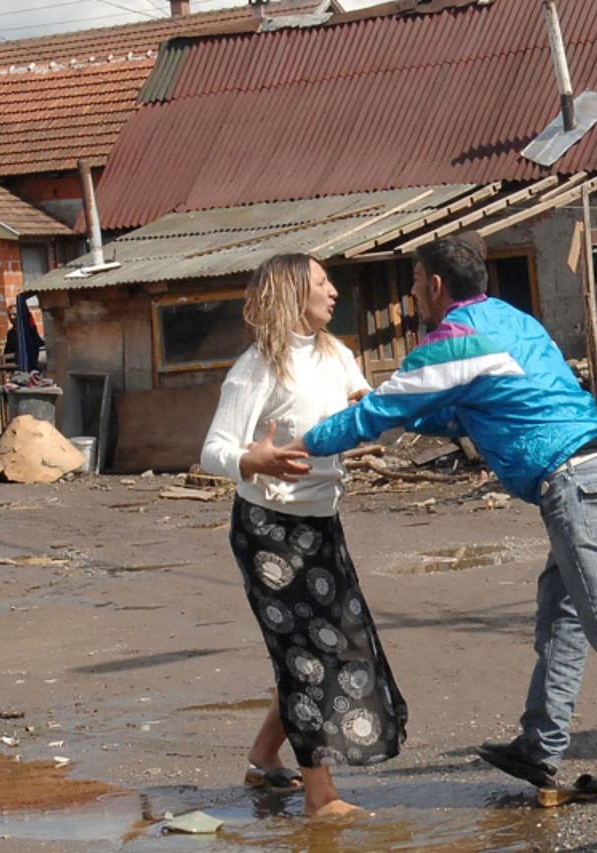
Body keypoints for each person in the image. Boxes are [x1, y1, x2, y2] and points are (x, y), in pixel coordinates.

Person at [301, 235, 597, 796]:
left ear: (435, 285)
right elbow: (460, 414)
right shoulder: (509, 321)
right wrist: (398, 414)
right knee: (564, 615)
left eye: (413, 285)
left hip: (573, 480)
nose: (411, 296)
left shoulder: (454, 341)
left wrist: (305, 442)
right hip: (596, 471)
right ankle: (538, 746)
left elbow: (380, 412)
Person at [201, 253, 407, 817]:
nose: (334, 291)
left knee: (324, 646)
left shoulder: (334, 353)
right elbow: (212, 450)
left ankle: (265, 756)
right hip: (268, 533)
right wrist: (253, 459)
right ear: (292, 293)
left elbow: (367, 409)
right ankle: (322, 797)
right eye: (322, 282)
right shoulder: (257, 367)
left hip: (322, 522)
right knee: (306, 656)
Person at [3, 302, 45, 372]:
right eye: (10, 315)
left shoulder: (29, 330)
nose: (12, 317)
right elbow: (8, 350)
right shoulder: (11, 333)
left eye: (14, 315)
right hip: (18, 367)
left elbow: (38, 343)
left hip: (31, 365)